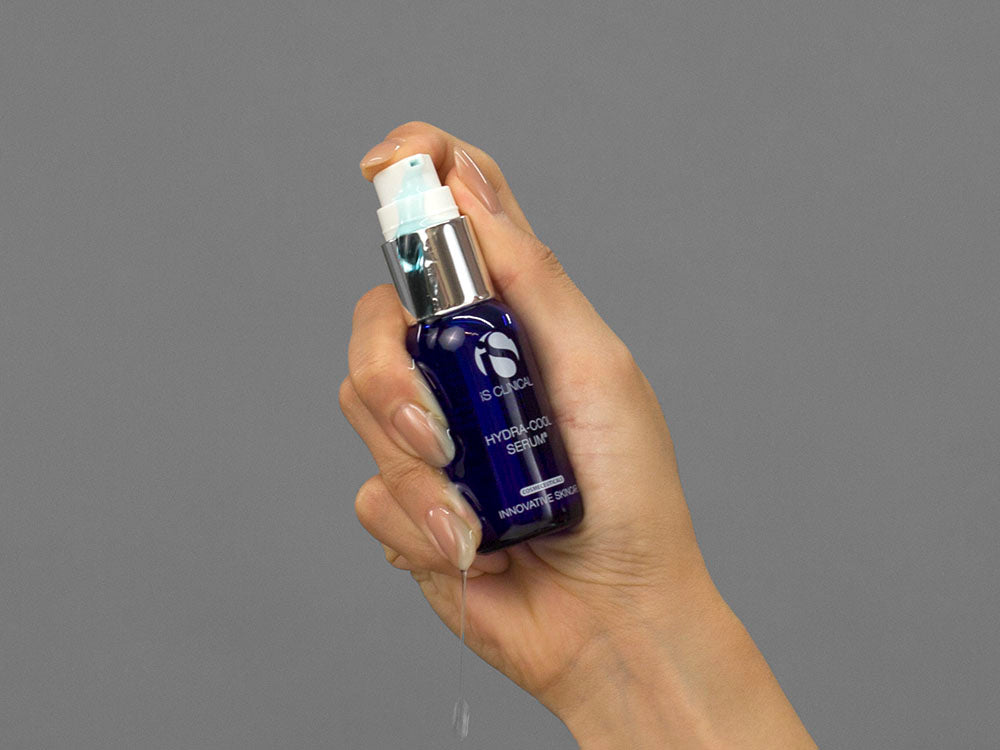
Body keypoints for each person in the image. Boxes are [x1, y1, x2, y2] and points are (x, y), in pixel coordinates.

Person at [340, 121, 817, 749]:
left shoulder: (492, 319)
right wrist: (610, 650)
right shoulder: (438, 339)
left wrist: (636, 618)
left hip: (566, 516)